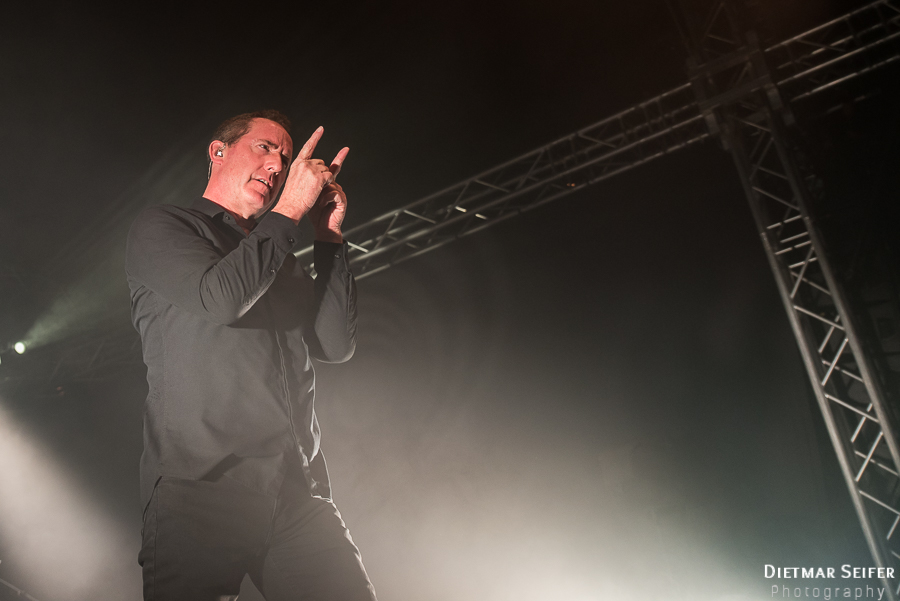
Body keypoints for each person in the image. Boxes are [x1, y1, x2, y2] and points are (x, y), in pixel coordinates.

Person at [125, 110, 376, 601]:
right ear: (218, 152)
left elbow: (334, 346)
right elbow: (221, 300)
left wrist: (328, 236)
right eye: (265, 147)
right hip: (199, 488)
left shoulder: (276, 256)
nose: (278, 165)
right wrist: (290, 210)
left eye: (286, 158)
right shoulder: (165, 226)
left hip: (296, 489)